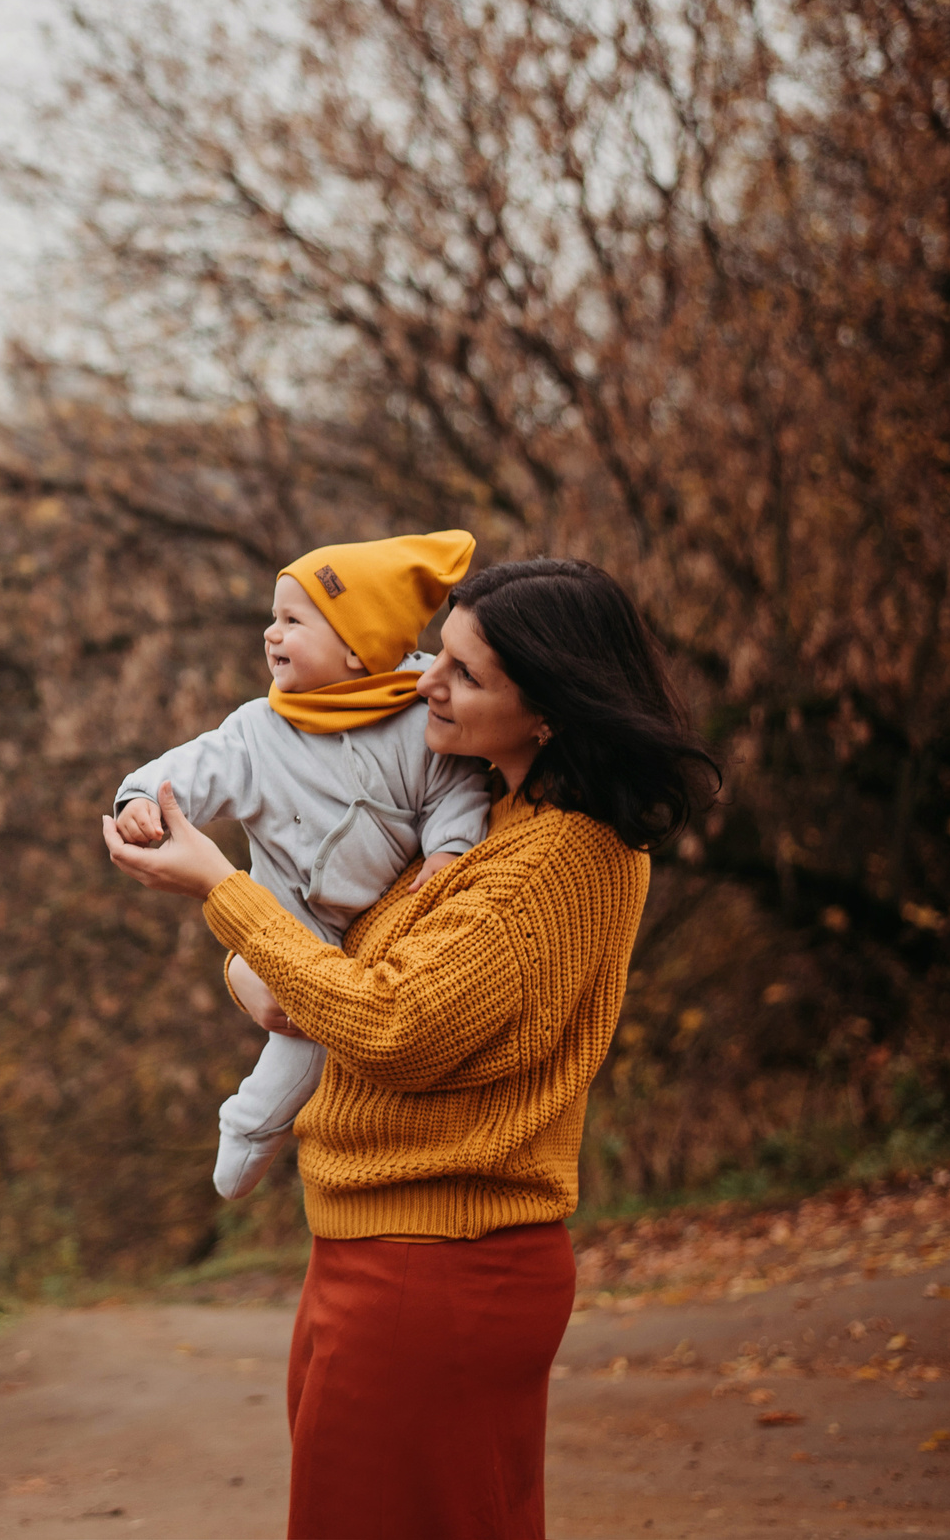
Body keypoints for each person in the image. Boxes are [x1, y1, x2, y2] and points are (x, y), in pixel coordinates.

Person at [103, 557, 719, 1540]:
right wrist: (260, 971)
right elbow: (329, 964)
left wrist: (222, 892)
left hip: (438, 1271)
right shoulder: (483, 816)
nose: (424, 678)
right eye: (441, 652)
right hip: (375, 1247)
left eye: (465, 676)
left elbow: (389, 1023)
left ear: (546, 711)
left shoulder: (546, 862)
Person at [109, 531, 490, 1199]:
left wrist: (449, 848)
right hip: (294, 911)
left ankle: (257, 1122)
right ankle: (251, 1127)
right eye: (272, 617)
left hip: (384, 923)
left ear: (356, 645)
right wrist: (143, 799)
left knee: (341, 1015)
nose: (270, 633)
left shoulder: (415, 718)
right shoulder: (260, 730)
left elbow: (455, 790)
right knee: (301, 1033)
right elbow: (195, 766)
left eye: (292, 620)